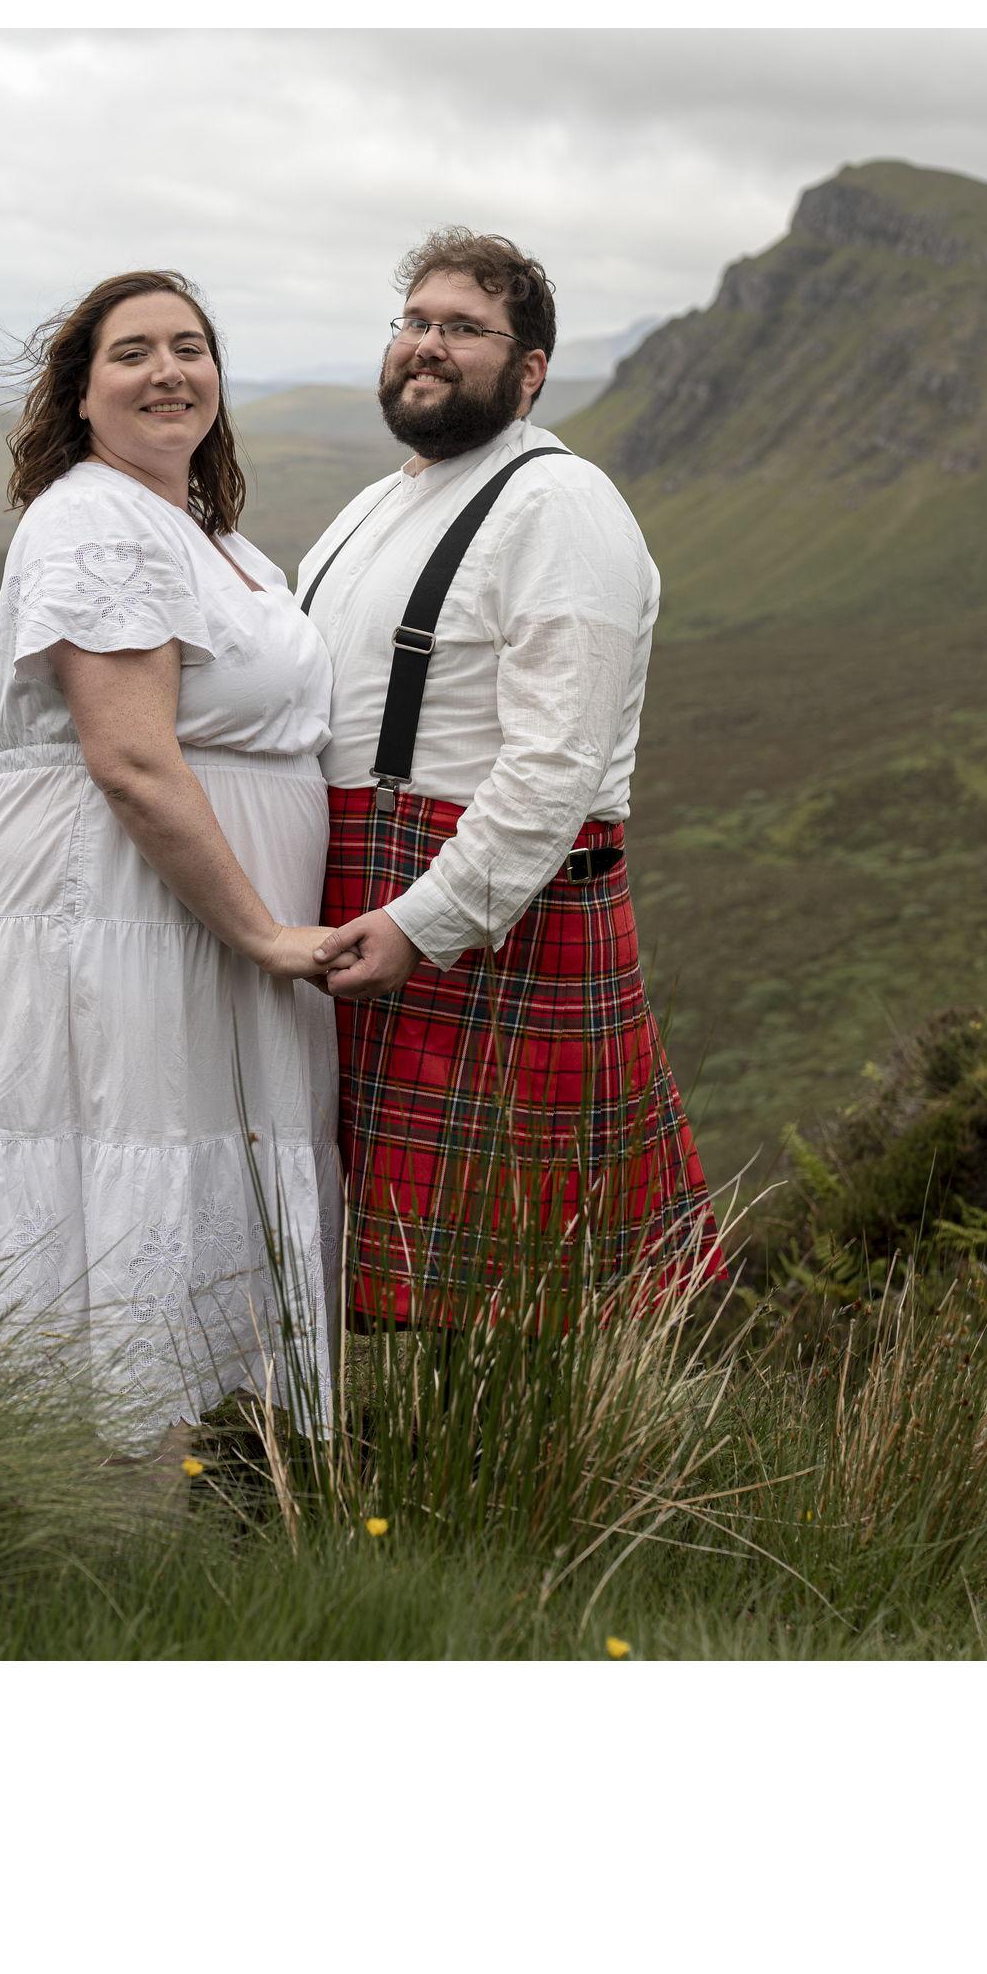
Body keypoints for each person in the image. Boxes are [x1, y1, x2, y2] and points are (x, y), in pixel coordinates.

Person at [0, 269, 341, 1456]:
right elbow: (129, 760)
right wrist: (261, 931)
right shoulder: (94, 522)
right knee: (129, 1157)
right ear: (79, 394)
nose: (168, 372)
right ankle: (98, 1492)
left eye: (189, 347)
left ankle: (219, 1481)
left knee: (197, 1167)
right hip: (125, 907)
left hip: (197, 915)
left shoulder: (210, 536)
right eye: (131, 353)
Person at [302, 228, 719, 1324]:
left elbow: (555, 766)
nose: (427, 344)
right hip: (367, 902)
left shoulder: (560, 505)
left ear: (528, 370)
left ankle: (539, 1443)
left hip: (478, 924)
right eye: (414, 320)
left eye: (464, 328)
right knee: (361, 1268)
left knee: (512, 1301)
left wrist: (423, 922)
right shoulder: (375, 503)